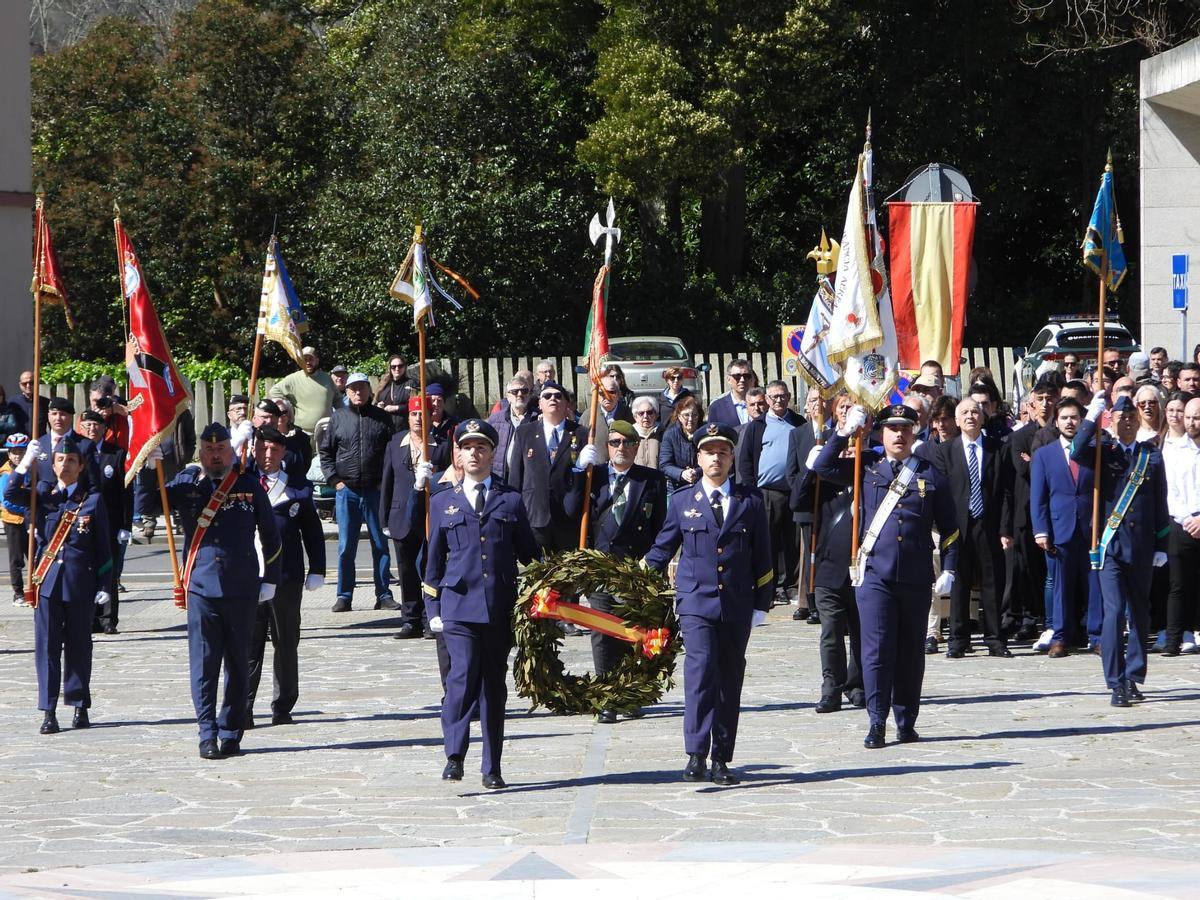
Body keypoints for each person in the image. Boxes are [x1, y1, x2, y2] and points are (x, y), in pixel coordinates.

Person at [812, 403, 959, 749]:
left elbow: (950, 528)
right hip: (875, 575)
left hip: (914, 576)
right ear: (881, 433)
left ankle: (906, 721)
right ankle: (877, 720)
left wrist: (950, 567)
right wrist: (844, 432)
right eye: (892, 429)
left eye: (905, 429)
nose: (899, 435)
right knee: (876, 651)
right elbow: (823, 466)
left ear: (915, 432)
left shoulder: (929, 473)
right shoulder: (868, 466)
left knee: (911, 652)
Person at [644, 422, 773, 785]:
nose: (716, 458)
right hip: (696, 602)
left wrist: (761, 602)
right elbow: (663, 546)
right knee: (700, 675)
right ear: (697, 457)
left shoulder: (750, 501)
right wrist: (636, 573)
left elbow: (763, 557)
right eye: (708, 452)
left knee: (729, 680)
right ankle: (696, 752)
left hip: (735, 604)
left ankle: (722, 757)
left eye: (723, 451)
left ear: (732, 457)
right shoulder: (684, 500)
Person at [423, 419, 540, 789]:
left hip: (499, 606)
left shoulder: (510, 500)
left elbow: (530, 555)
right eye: (468, 447)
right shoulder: (443, 503)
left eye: (481, 447)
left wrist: (550, 585)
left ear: (493, 453)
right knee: (462, 676)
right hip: (458, 607)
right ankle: (454, 754)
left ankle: (492, 766)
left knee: (494, 687)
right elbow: (432, 563)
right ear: (458, 454)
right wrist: (433, 611)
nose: (474, 453)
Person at [160, 423, 281, 759]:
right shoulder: (186, 485)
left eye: (221, 449)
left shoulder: (247, 486)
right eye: (209, 450)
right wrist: (152, 464)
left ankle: (231, 731)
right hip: (201, 587)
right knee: (204, 665)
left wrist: (271, 577)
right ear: (200, 452)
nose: (215, 456)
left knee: (238, 665)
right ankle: (206, 732)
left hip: (242, 588)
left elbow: (271, 535)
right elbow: (147, 501)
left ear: (231, 450)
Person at [5, 436, 111, 734]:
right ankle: (48, 710)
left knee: (80, 647)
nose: (66, 465)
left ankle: (79, 704)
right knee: (47, 649)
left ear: (81, 467)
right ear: (53, 465)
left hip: (80, 586)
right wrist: (25, 463)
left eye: (72, 461)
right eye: (60, 460)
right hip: (47, 584)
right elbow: (10, 494)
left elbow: (104, 549)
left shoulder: (93, 501)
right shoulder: (43, 496)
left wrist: (104, 583)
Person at [566, 420, 667, 723]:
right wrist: (575, 473)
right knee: (602, 632)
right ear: (606, 447)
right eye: (614, 443)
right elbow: (571, 510)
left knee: (632, 633)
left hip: (635, 568)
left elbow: (660, 526)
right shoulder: (592, 476)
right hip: (601, 566)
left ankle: (629, 693)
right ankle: (606, 696)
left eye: (627, 442)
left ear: (637, 446)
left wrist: (652, 564)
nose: (621, 448)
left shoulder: (652, 480)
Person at [1073, 395, 1169, 705]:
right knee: (1113, 613)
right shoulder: (1103, 452)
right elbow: (1076, 450)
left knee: (1140, 612)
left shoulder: (1150, 456)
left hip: (1141, 547)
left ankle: (1134, 676)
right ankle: (1116, 682)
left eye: (1132, 416)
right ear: (1111, 421)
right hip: (1109, 546)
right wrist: (1091, 416)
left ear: (1138, 420)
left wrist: (1162, 545)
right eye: (1120, 417)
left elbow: (1160, 504)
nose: (1126, 420)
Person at [245, 426, 326, 728]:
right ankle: (244, 705)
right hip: (250, 576)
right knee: (248, 645)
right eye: (263, 449)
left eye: (275, 450)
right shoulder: (243, 482)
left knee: (286, 641)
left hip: (286, 576)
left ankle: (283, 705)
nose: (268, 455)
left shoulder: (298, 488)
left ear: (283, 453)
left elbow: (313, 532)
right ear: (254, 450)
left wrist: (317, 567)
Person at [790, 403, 864, 711]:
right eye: (842, 410)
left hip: (863, 568)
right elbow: (797, 502)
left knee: (861, 632)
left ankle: (857, 685)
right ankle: (831, 687)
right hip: (829, 567)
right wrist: (810, 470)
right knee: (832, 632)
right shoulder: (823, 473)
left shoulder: (867, 464)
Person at [938, 399, 1014, 658]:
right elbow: (942, 491)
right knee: (959, 581)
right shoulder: (946, 451)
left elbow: (1006, 492)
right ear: (956, 420)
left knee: (992, 582)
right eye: (964, 413)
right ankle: (958, 640)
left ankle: (995, 638)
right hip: (957, 526)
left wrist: (1005, 528)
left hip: (988, 524)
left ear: (982, 418)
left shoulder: (997, 449)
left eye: (975, 412)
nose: (970, 416)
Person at [319, 372, 396, 612]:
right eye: (353, 389)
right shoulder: (338, 418)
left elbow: (391, 453)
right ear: (347, 392)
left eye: (362, 387)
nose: (357, 392)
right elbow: (325, 452)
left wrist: (385, 482)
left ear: (370, 391)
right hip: (347, 491)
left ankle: (383, 595)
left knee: (380, 544)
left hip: (375, 491)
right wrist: (335, 480)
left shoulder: (383, 419)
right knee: (345, 548)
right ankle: (344, 596)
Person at [1031, 399, 1100, 657]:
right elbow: (1039, 496)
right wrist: (1041, 530)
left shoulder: (1094, 452)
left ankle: (1097, 636)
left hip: (1090, 528)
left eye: (1074, 417)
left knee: (1094, 584)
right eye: (1065, 418)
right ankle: (1060, 636)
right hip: (1060, 530)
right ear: (1056, 421)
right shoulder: (1044, 455)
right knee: (1061, 586)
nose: (1070, 422)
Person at [380, 395, 450, 638]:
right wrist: (384, 518)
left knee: (431, 566)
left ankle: (430, 617)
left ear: (432, 416)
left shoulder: (441, 446)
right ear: (407, 417)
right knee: (406, 569)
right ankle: (410, 620)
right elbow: (387, 482)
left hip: (430, 513)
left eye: (424, 414)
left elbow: (450, 480)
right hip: (400, 515)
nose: (419, 418)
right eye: (414, 414)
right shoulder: (395, 442)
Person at [1005, 376, 1059, 644]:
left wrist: (1036, 459)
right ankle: (1029, 619)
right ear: (1031, 403)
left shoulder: (1062, 432)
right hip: (1026, 511)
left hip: (1058, 509)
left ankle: (1054, 618)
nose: (1045, 404)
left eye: (1051, 399)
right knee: (1027, 569)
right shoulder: (1020, 436)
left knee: (1053, 569)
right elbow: (1024, 469)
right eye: (1040, 399)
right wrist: (1044, 462)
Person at [737, 380, 801, 605]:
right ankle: (769, 589)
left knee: (792, 542)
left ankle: (791, 587)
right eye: (773, 396)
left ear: (789, 396)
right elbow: (745, 461)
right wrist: (752, 490)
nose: (778, 400)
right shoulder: (757, 426)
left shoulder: (799, 423)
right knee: (768, 542)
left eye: (782, 396)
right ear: (767, 399)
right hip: (766, 493)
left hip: (793, 490)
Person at [506, 380, 590, 552]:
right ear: (540, 403)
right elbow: (516, 476)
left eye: (558, 396)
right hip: (534, 516)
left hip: (568, 517)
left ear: (567, 404)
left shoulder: (581, 433)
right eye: (547, 396)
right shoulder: (525, 432)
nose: (553, 399)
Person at [76, 410, 131, 635]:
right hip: (85, 523)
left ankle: (108, 619)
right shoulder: (77, 454)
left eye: (96, 425)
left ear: (104, 429)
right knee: (86, 571)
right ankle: (89, 618)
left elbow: (126, 493)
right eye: (87, 425)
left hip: (111, 522)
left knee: (109, 571)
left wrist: (126, 526)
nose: (92, 429)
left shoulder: (116, 454)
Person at [1161, 396, 1200, 656]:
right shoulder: (1175, 449)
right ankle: (1173, 639)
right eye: (1188, 417)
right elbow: (1170, 489)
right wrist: (1188, 518)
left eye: (1196, 417)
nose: (1191, 423)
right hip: (1181, 522)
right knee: (1178, 584)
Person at [268, 345, 337, 434]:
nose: (308, 362)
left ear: (317, 360)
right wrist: (289, 405)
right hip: (302, 432)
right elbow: (274, 391)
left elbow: (338, 400)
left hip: (326, 431)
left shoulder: (327, 379)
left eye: (311, 359)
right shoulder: (293, 379)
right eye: (305, 359)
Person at [0, 434, 29, 606]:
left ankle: (35, 588)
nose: (18, 456)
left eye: (22, 452)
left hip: (29, 520)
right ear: (9, 454)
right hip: (13, 520)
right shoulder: (6, 474)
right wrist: (28, 509)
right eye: (14, 452)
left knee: (34, 556)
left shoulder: (31, 469)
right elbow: (7, 501)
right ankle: (18, 593)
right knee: (16, 558)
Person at [487, 377, 535, 482]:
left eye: (524, 391)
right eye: (514, 392)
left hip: (528, 478)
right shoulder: (495, 420)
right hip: (501, 477)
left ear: (529, 394)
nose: (519, 394)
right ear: (508, 397)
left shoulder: (538, 419)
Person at [658, 395, 703, 493]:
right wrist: (681, 473)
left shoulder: (704, 433)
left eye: (694, 415)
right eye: (686, 415)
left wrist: (697, 472)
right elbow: (665, 465)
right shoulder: (670, 434)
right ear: (679, 416)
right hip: (676, 488)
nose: (690, 419)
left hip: (701, 485)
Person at [706, 360, 757, 428]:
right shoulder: (717, 407)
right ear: (728, 379)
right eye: (737, 376)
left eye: (746, 376)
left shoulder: (761, 404)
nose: (742, 380)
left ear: (751, 379)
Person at [374, 354, 418, 431]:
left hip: (403, 428)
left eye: (400, 366)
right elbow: (375, 402)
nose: (397, 369)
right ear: (390, 368)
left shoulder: (411, 383)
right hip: (384, 427)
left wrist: (396, 408)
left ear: (405, 367)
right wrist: (378, 407)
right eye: (393, 367)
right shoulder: (384, 384)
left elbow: (416, 406)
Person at [274, 397, 313, 475]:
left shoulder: (302, 437)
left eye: (284, 412)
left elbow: (306, 463)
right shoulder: (265, 436)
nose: (280, 416)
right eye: (276, 412)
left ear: (289, 414)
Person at [11, 370, 48, 436]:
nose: (28, 386)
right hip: (18, 443)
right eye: (24, 383)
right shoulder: (12, 402)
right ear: (20, 385)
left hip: (40, 442)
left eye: (31, 383)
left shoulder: (45, 402)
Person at [630, 396, 663, 469]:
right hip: (636, 479)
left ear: (656, 415)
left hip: (658, 478)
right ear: (635, 416)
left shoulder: (663, 434)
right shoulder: (629, 436)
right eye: (641, 413)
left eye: (650, 412)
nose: (645, 416)